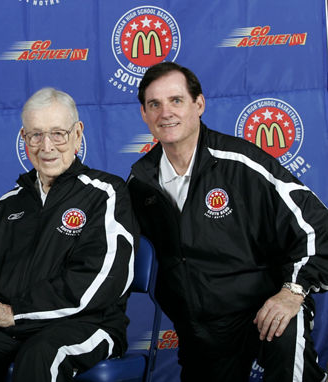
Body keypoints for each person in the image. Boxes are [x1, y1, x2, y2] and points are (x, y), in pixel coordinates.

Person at [127, 61, 328, 381]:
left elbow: (318, 226)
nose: (166, 112)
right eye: (155, 104)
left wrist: (292, 291)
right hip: (202, 332)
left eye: (176, 100)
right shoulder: (140, 182)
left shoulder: (243, 163)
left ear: (199, 104)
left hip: (267, 310)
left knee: (286, 336)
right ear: (145, 115)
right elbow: (114, 253)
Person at [0, 87, 138, 381]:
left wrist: (15, 312)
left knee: (41, 356)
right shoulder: (10, 204)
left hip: (88, 323)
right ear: (24, 139)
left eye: (58, 133)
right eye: (35, 135)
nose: (46, 146)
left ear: (77, 134)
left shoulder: (106, 193)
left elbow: (100, 281)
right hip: (14, 326)